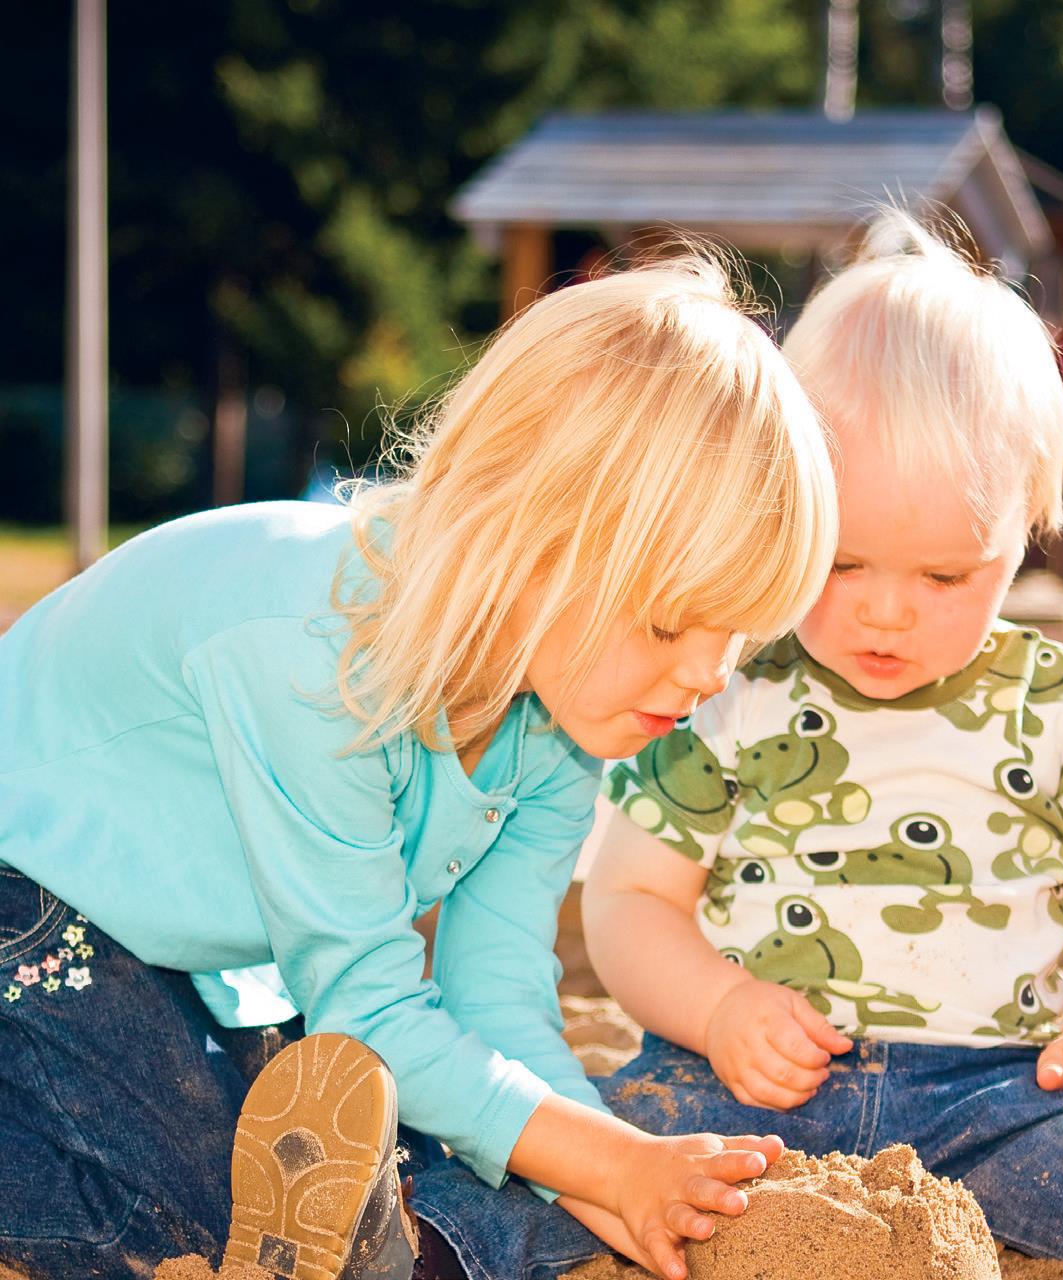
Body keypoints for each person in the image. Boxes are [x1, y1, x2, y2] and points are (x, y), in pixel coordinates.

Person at [0, 253, 838, 1280]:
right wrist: (608, 1160)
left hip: (191, 946)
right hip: (28, 885)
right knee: (187, 1201)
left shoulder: (570, 714)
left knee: (389, 1142)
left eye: (736, 636)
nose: (705, 677)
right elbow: (373, 1004)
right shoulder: (317, 655)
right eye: (668, 621)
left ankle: (418, 1254)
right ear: (525, 537)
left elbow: (489, 995)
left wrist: (608, 1180)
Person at [579, 212, 1063, 1280]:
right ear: (783, 506)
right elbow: (628, 898)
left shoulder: (1062, 706)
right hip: (744, 1082)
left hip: (1003, 1093)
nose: (885, 614)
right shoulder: (726, 687)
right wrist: (715, 1005)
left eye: (943, 576)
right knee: (587, 1146)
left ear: (1024, 530)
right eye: (843, 561)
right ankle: (424, 1234)